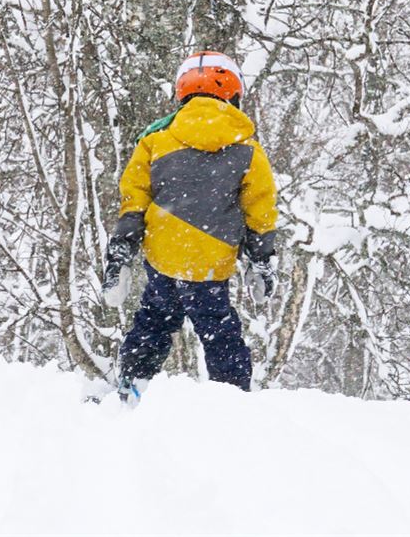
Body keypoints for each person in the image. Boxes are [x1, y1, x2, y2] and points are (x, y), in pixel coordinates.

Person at [101, 51, 278, 398]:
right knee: (220, 330)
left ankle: (134, 385)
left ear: (183, 93)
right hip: (211, 263)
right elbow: (260, 211)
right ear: (233, 94)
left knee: (154, 319)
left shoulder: (155, 141)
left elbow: (133, 202)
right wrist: (261, 260)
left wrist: (121, 252)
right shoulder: (249, 152)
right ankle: (231, 398)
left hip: (164, 255)